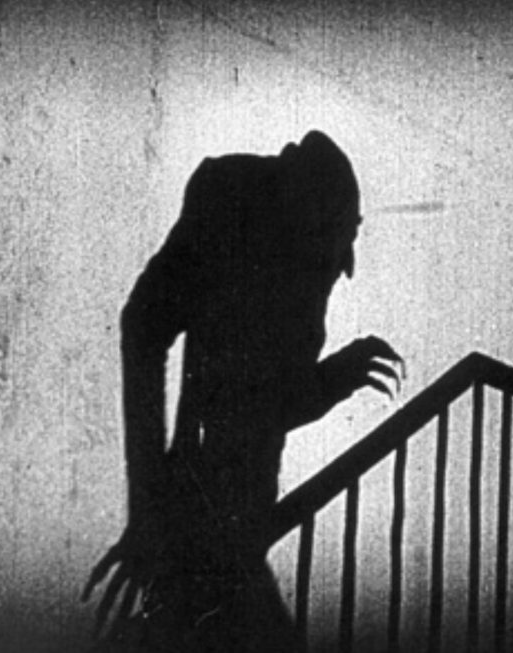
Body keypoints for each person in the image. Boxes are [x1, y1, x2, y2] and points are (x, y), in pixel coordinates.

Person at [82, 131, 403, 651]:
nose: (345, 267)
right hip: (205, 525)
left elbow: (264, 404)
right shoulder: (233, 199)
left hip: (232, 524)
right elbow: (145, 326)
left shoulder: (296, 246)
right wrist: (147, 507)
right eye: (343, 235)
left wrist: (335, 379)